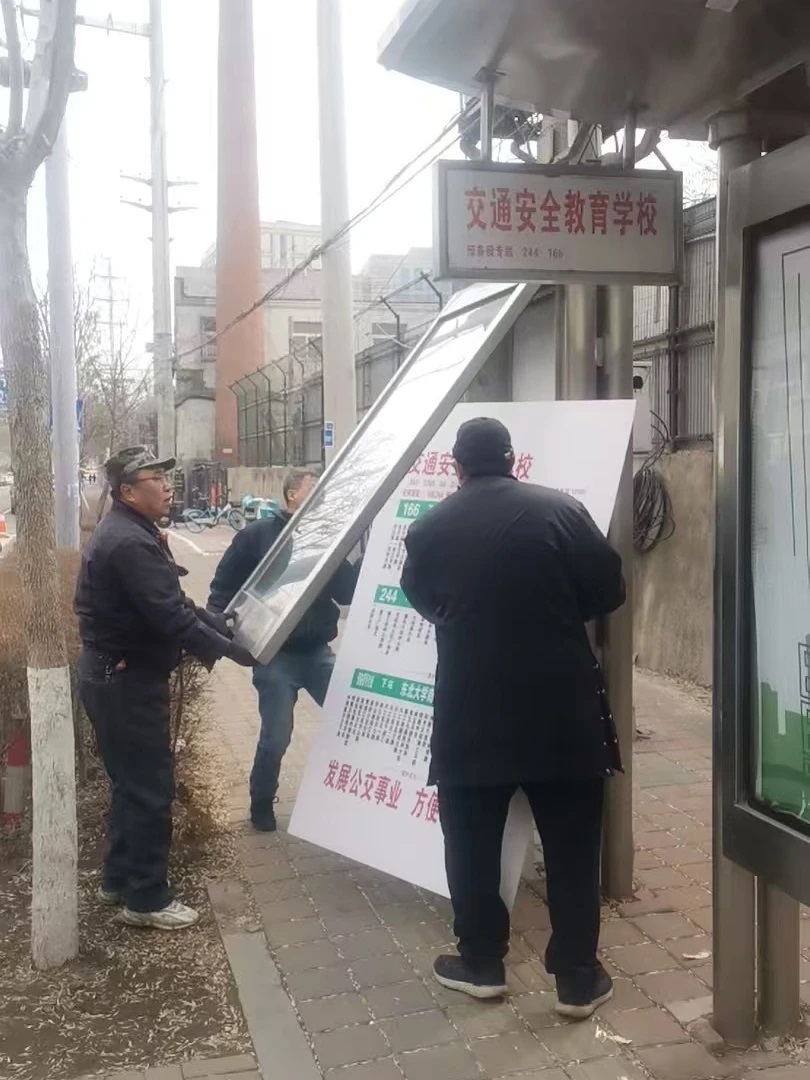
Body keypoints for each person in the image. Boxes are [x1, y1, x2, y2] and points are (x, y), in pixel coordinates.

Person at [400, 417, 625, 1019]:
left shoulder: (428, 528)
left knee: (470, 844)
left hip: (471, 710)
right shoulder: (561, 511)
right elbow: (608, 590)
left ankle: (480, 964)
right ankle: (577, 978)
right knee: (573, 847)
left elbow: (424, 600)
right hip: (563, 709)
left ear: (457, 467)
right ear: (512, 460)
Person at [75, 447, 253, 931]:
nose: (169, 487)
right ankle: (147, 898)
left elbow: (174, 603)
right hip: (125, 682)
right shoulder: (128, 542)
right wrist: (232, 652)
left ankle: (119, 879)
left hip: (115, 676)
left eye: (166, 478)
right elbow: (169, 616)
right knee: (150, 788)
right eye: (157, 479)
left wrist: (217, 624)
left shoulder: (131, 531)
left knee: (131, 784)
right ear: (128, 492)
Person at [207, 469, 361, 832]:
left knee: (353, 716)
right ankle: (261, 801)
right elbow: (222, 587)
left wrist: (361, 557)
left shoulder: (324, 540)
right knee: (276, 737)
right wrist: (218, 631)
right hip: (275, 655)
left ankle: (355, 796)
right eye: (314, 489)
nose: (322, 496)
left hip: (318, 652)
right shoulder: (257, 536)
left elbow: (345, 593)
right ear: (292, 494)